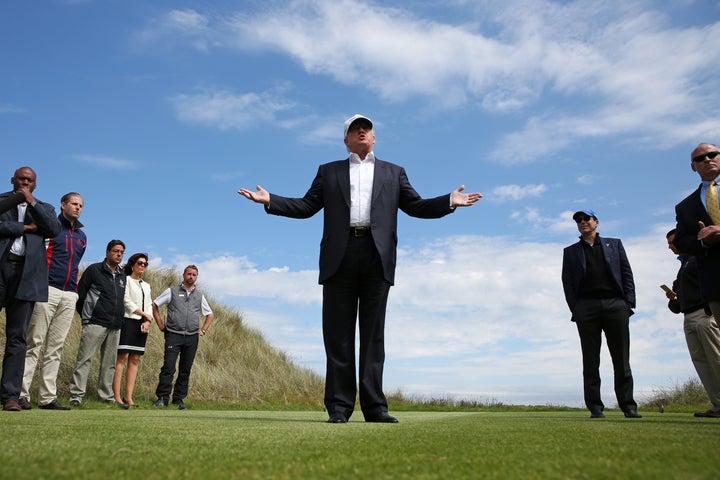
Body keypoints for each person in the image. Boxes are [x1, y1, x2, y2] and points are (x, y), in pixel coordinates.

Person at [238, 114, 481, 423]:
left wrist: (449, 200)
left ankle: (375, 408)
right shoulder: (329, 172)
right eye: (355, 129)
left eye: (366, 128)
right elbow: (307, 206)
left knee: (373, 337)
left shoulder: (394, 173)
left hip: (377, 256)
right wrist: (270, 199)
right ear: (346, 140)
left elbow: (416, 206)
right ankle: (339, 408)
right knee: (337, 336)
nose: (362, 131)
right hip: (340, 255)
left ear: (374, 137)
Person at [561, 209, 641, 419]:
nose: (582, 222)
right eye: (578, 220)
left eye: (586, 218)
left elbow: (626, 274)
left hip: (616, 305)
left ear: (596, 222)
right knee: (590, 359)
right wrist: (576, 308)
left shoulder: (614, 244)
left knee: (621, 358)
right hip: (586, 308)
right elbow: (567, 282)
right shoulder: (570, 252)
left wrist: (628, 303)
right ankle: (595, 408)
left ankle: (628, 406)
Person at [0, 167, 61, 412]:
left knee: (17, 338)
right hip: (1, 269)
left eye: (30, 180)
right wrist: (24, 229)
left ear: (35, 184)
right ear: (12, 180)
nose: (25, 182)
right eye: (21, 179)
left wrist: (31, 202)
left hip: (26, 276)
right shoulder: (2, 202)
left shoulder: (44, 209)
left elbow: (53, 229)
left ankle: (10, 396)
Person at [20, 192, 86, 411]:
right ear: (63, 205)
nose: (78, 208)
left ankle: (47, 397)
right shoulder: (50, 228)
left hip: (69, 293)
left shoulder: (82, 237)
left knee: (55, 348)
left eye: (81, 205)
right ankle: (21, 394)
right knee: (34, 342)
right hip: (46, 289)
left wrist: (74, 293)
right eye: (74, 204)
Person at [665, 229, 720, 418]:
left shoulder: (698, 258)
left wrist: (709, 308)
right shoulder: (682, 267)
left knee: (716, 359)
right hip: (688, 317)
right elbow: (677, 305)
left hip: (704, 315)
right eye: (669, 244)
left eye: (673, 242)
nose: (670, 246)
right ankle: (717, 405)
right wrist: (674, 299)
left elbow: (711, 282)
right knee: (701, 362)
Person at [68, 240, 126, 406]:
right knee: (84, 359)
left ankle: (106, 397)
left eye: (121, 252)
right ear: (107, 252)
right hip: (95, 322)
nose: (119, 254)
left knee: (109, 364)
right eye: (115, 251)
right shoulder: (94, 270)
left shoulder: (122, 275)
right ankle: (76, 396)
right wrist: (87, 316)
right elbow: (81, 295)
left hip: (115, 325)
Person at [151, 264, 214, 410]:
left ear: (196, 277)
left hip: (192, 337)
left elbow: (210, 314)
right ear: (183, 275)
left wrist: (203, 330)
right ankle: (162, 398)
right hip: (173, 334)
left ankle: (178, 400)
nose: (191, 276)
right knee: (168, 367)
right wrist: (160, 324)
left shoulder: (199, 296)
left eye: (194, 275)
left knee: (185, 369)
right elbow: (154, 304)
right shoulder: (172, 291)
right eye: (189, 274)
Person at [674, 143, 720, 322]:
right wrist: (704, 241)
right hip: (715, 283)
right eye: (700, 158)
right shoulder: (685, 207)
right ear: (693, 167)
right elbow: (681, 241)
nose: (707, 159)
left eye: (712, 154)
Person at [112, 253, 153, 409]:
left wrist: (148, 321)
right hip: (128, 320)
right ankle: (116, 397)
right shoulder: (126, 280)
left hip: (142, 324)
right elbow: (126, 301)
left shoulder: (146, 285)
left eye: (145, 264)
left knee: (135, 359)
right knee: (122, 357)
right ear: (133, 264)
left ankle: (128, 397)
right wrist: (143, 314)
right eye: (140, 263)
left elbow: (149, 303)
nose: (142, 266)